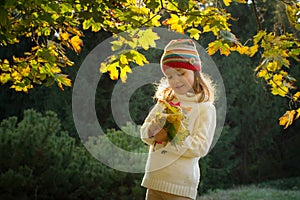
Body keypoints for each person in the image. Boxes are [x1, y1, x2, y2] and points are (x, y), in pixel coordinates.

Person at [140, 39, 217, 200]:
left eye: (181, 73)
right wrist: (153, 132)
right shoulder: (165, 103)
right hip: (154, 181)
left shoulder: (205, 108)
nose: (176, 80)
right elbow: (144, 131)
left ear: (195, 72)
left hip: (180, 187)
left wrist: (171, 136)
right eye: (170, 76)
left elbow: (200, 147)